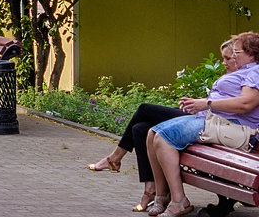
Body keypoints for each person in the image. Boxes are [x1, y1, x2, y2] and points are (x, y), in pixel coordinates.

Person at [87, 37, 239, 213]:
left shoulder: (246, 76)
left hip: (205, 120)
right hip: (198, 115)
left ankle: (115, 158)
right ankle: (152, 191)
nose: (224, 62)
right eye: (223, 58)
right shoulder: (232, 76)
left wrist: (202, 103)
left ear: (240, 56)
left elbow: (235, 105)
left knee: (144, 109)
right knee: (140, 128)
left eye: (228, 58)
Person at [142, 32, 259, 217]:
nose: (234, 56)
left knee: (163, 138)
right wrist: (200, 103)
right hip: (216, 120)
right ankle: (162, 196)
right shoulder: (246, 71)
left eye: (237, 52)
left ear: (252, 54)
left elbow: (246, 104)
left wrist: (207, 104)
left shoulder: (255, 71)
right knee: (151, 134)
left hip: (235, 127)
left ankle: (179, 201)